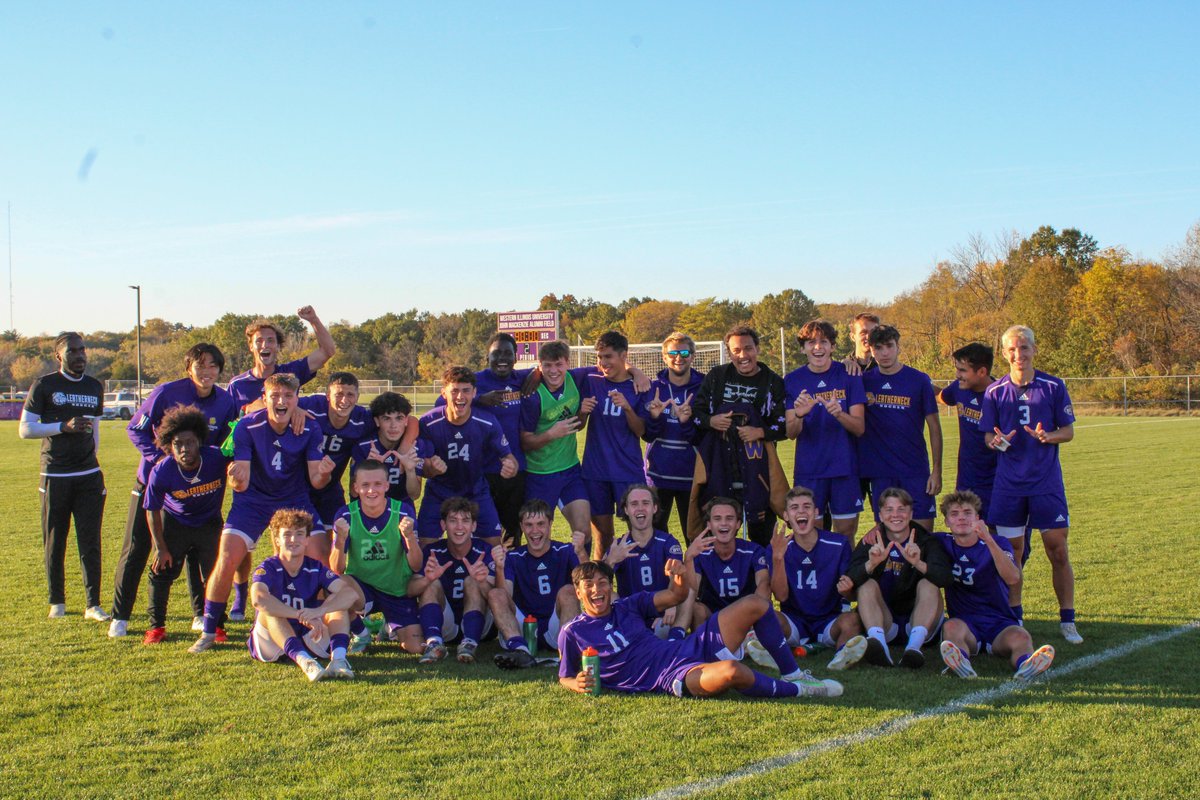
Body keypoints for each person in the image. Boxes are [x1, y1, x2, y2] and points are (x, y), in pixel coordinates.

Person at [557, 556, 842, 699]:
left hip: (685, 648)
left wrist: (679, 577)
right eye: (589, 585)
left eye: (603, 583)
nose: (597, 590)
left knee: (756, 603)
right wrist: (576, 684)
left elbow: (676, 597)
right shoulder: (573, 632)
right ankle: (801, 692)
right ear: (579, 592)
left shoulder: (627, 606)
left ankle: (794, 674)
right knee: (732, 671)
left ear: (611, 586)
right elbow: (564, 676)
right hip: (671, 675)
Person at [190, 373, 334, 653]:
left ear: (296, 400)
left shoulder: (310, 428)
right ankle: (209, 629)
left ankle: (321, 621)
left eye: (288, 396)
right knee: (229, 556)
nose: (281, 401)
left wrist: (325, 475)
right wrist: (236, 478)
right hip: (253, 501)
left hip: (294, 499)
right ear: (265, 398)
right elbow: (240, 479)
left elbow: (316, 481)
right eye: (275, 396)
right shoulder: (246, 426)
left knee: (320, 555)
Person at [109, 343, 238, 637]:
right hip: (156, 484)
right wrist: (164, 463)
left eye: (213, 366)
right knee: (139, 548)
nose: (206, 372)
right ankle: (121, 616)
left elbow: (227, 442)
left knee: (201, 551)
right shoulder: (167, 393)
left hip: (200, 489)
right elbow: (135, 429)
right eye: (200, 365)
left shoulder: (225, 401)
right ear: (188, 367)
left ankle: (199, 614)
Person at [979, 325, 1081, 644]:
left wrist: (1048, 436)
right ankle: (1015, 617)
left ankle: (1067, 620)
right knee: (1013, 553)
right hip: (1009, 486)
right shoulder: (995, 391)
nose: (1018, 354)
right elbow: (986, 436)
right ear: (1004, 353)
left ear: (1034, 349)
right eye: (1012, 349)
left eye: (1024, 347)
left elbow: (1068, 431)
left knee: (1057, 550)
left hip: (1045, 484)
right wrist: (996, 440)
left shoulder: (1053, 386)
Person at [19, 332, 108, 621]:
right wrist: (62, 426)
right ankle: (56, 600)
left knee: (90, 541)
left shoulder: (95, 386)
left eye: (83, 350)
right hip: (55, 474)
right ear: (59, 355)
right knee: (55, 540)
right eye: (73, 351)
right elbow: (26, 429)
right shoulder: (45, 385)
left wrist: (93, 457)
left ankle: (93, 604)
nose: (80, 355)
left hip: (88, 475)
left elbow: (95, 429)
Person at [934, 491, 1055, 680]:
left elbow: (1013, 577)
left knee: (1021, 637)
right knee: (950, 628)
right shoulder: (941, 542)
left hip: (999, 620)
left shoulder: (998, 542)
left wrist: (988, 539)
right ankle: (961, 663)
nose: (961, 518)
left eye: (967, 513)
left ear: (978, 518)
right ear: (947, 522)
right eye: (954, 514)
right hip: (966, 623)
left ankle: (1026, 666)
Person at [689, 325, 789, 547]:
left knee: (763, 538)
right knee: (717, 534)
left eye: (748, 348)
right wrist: (711, 421)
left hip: (758, 468)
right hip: (719, 466)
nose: (743, 355)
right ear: (728, 352)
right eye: (736, 350)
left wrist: (760, 432)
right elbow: (696, 412)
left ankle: (765, 580)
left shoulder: (772, 382)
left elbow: (785, 426)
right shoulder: (717, 376)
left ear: (758, 349)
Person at [434, 333, 533, 545]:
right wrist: (479, 400)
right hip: (481, 471)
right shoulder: (476, 381)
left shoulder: (522, 379)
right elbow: (439, 402)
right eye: (496, 353)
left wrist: (538, 374)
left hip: (514, 468)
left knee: (511, 531)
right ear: (487, 357)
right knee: (481, 531)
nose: (502, 358)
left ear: (516, 358)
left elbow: (549, 369)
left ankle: (507, 576)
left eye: (508, 353)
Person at [141, 406, 228, 644]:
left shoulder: (216, 458)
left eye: (189, 443)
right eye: (178, 443)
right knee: (161, 571)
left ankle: (217, 625)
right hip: (175, 523)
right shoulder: (162, 470)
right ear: (169, 444)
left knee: (214, 574)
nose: (184, 449)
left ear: (199, 441)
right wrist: (160, 547)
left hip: (209, 523)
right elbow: (152, 509)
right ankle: (156, 627)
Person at [247, 509, 360, 681]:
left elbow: (350, 594)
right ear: (277, 540)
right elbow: (258, 599)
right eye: (287, 535)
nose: (293, 540)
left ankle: (338, 660)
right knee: (269, 611)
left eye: (299, 534)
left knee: (336, 602)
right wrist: (299, 615)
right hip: (271, 640)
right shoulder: (269, 567)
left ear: (307, 540)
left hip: (309, 632)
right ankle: (306, 662)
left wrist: (319, 611)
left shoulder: (315, 567)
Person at [843, 487, 950, 669]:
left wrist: (918, 563)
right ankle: (879, 645)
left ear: (911, 513)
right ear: (881, 515)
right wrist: (872, 564)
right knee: (866, 585)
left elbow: (946, 578)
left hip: (920, 621)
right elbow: (850, 578)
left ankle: (914, 648)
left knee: (928, 584)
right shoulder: (871, 540)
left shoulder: (925, 540)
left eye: (901, 509)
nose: (895, 515)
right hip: (886, 622)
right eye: (889, 510)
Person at [329, 460, 426, 656]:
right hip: (363, 588)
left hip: (396, 590)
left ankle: (389, 624)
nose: (371, 490)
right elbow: (336, 569)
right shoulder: (346, 514)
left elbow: (416, 566)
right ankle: (361, 632)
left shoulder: (403, 512)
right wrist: (340, 540)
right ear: (355, 488)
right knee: (335, 585)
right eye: (365, 485)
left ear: (387, 485)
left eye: (377, 484)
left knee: (415, 648)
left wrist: (409, 538)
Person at [784, 320, 867, 541]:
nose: (818, 347)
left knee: (846, 533)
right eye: (811, 342)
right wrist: (800, 414)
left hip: (845, 468)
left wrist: (839, 414)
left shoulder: (849, 375)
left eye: (824, 342)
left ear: (832, 346)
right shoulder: (792, 380)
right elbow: (791, 432)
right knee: (811, 534)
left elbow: (859, 428)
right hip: (810, 471)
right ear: (803, 348)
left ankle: (846, 576)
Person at [417, 366, 518, 546]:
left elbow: (509, 458)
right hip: (439, 492)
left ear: (474, 392)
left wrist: (510, 467)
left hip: (475, 491)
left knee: (494, 547)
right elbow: (421, 467)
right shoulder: (428, 422)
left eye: (466, 391)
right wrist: (430, 467)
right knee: (424, 545)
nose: (460, 397)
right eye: (454, 391)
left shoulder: (487, 421)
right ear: (444, 394)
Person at [769, 487, 866, 671]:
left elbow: (851, 595)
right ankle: (772, 653)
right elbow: (780, 597)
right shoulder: (778, 547)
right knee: (767, 616)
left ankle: (842, 655)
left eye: (806, 506)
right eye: (794, 507)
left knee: (852, 620)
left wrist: (847, 591)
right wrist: (778, 559)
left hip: (829, 619)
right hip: (794, 621)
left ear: (816, 513)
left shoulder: (838, 544)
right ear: (786, 516)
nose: (801, 511)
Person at [857, 325, 942, 531]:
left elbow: (934, 427)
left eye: (889, 346)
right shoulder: (863, 381)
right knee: (888, 536)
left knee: (922, 535)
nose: (884, 353)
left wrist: (937, 470)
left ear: (898, 347)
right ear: (871, 350)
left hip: (915, 470)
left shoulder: (919, 380)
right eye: (878, 347)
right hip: (881, 474)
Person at [577, 331, 652, 560]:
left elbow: (641, 431)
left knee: (638, 533)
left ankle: (638, 586)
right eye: (600, 357)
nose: (603, 363)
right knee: (603, 534)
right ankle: (602, 583)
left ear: (623, 356)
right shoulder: (591, 380)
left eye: (608, 356)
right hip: (595, 472)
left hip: (627, 471)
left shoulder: (639, 387)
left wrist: (628, 408)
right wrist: (582, 411)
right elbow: (579, 426)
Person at [490, 499, 587, 669]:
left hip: (555, 625)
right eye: (529, 525)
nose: (535, 531)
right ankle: (520, 650)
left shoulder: (565, 551)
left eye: (541, 524)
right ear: (521, 526)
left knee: (569, 590)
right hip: (521, 627)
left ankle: (567, 652)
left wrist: (581, 553)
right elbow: (505, 595)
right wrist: (499, 568)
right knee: (495, 594)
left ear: (550, 524)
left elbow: (588, 584)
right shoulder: (513, 557)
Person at [518, 340, 593, 545]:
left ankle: (583, 576)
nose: (553, 371)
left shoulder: (576, 379)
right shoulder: (533, 396)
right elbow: (525, 442)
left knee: (584, 531)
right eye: (547, 365)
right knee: (537, 537)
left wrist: (583, 414)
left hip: (570, 471)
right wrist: (551, 434)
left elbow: (575, 425)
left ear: (567, 363)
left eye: (558, 364)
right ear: (539, 365)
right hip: (539, 475)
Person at [412, 497, 501, 665]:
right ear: (443, 525)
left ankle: (470, 643)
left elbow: (498, 597)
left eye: (465, 521)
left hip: (482, 625)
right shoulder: (432, 552)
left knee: (472, 581)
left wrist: (481, 581)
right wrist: (427, 579)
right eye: (453, 521)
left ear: (474, 526)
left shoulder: (484, 551)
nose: (459, 527)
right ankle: (434, 643)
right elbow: (410, 589)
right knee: (430, 583)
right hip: (447, 622)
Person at [300, 372, 377, 563]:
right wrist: (293, 410)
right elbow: (261, 404)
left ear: (357, 397)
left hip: (330, 488)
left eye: (350, 395)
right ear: (327, 396)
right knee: (291, 541)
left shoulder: (362, 419)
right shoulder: (312, 406)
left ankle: (325, 590)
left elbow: (407, 422)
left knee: (330, 547)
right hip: (297, 487)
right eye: (339, 394)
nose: (344, 400)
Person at [603, 485, 686, 638]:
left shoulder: (667, 542)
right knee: (609, 595)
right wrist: (611, 561)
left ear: (655, 508)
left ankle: (676, 638)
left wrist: (672, 604)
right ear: (626, 510)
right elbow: (597, 583)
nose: (640, 509)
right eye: (634, 504)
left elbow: (677, 578)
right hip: (630, 614)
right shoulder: (619, 545)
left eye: (645, 503)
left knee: (688, 591)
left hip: (663, 614)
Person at [642, 331, 703, 534]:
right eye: (673, 353)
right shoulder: (652, 387)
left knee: (695, 537)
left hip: (693, 478)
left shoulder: (704, 387)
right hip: (658, 476)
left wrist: (686, 422)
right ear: (664, 356)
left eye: (685, 352)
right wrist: (655, 417)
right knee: (656, 539)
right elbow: (647, 435)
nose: (679, 357)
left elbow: (703, 437)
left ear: (693, 355)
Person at [225, 307, 336, 412]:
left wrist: (314, 320)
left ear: (278, 346)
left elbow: (327, 351)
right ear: (251, 346)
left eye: (270, 340)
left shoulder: (290, 374)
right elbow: (229, 423)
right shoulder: (237, 385)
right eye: (259, 341)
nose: (265, 345)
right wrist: (249, 409)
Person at [937, 343, 998, 524]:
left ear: (981, 372)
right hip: (966, 478)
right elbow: (941, 397)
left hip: (995, 480)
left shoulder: (1001, 395)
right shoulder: (958, 388)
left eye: (963, 370)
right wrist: (920, 383)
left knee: (998, 535)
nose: (957, 375)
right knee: (963, 531)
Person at [349, 392, 423, 519]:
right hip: (367, 511)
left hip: (401, 509)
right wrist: (367, 468)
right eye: (386, 419)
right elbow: (353, 492)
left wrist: (410, 470)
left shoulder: (414, 447)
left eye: (399, 418)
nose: (393, 425)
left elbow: (414, 495)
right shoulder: (364, 447)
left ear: (406, 420)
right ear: (377, 421)